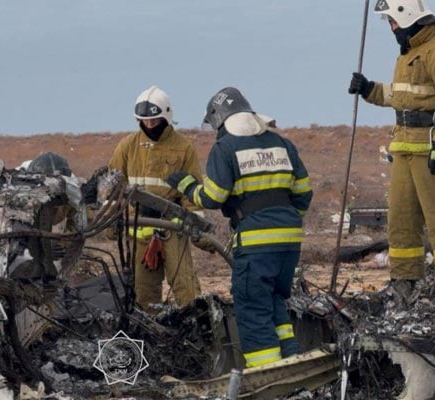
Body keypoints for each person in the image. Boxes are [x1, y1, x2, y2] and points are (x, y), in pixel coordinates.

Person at [166, 87, 312, 367]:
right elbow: (303, 193)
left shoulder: (226, 147)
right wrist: (285, 222)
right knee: (273, 300)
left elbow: (213, 196)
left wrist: (186, 184)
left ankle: (267, 373)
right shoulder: (282, 144)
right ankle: (292, 360)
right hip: (290, 242)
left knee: (252, 307)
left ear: (219, 120)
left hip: (256, 244)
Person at [349, 0, 435, 302]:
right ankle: (404, 280)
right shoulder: (409, 54)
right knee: (402, 220)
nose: (391, 27)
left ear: (408, 17)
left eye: (392, 21)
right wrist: (369, 89)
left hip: (433, 149)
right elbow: (401, 96)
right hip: (404, 148)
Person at [108, 85, 208, 313]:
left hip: (172, 230)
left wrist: (198, 229)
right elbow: (113, 187)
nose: (150, 125)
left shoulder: (183, 148)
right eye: (145, 121)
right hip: (138, 231)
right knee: (143, 294)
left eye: (154, 120)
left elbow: (192, 193)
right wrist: (111, 221)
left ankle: (197, 330)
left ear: (166, 116)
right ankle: (150, 337)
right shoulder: (127, 146)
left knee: (185, 287)